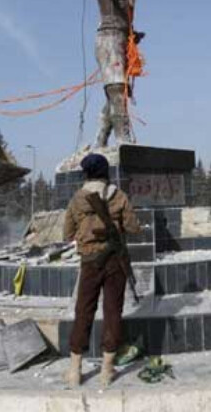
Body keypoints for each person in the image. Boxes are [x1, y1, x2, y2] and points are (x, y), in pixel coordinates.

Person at [63, 153, 140, 388]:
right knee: (113, 311)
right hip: (115, 261)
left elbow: (67, 233)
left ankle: (75, 371)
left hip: (89, 261)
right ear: (107, 173)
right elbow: (133, 227)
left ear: (86, 174)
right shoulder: (119, 196)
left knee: (84, 311)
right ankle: (107, 369)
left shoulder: (77, 199)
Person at [91, 0, 150, 147]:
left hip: (121, 35)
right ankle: (123, 139)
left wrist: (132, 34)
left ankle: (99, 141)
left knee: (118, 90)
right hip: (109, 35)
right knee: (116, 87)